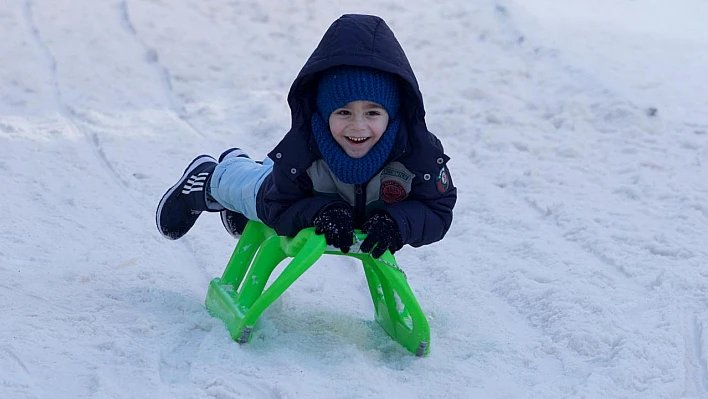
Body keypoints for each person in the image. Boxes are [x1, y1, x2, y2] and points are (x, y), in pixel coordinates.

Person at [156, 14, 456, 258]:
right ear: (324, 114)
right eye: (343, 113)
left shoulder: (417, 153)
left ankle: (241, 170)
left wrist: (397, 222)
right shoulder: (306, 146)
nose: (358, 126)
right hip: (293, 195)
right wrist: (320, 211)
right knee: (253, 191)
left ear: (393, 114)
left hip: (335, 202)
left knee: (266, 184)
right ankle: (208, 178)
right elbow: (280, 207)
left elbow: (437, 210)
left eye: (373, 113)